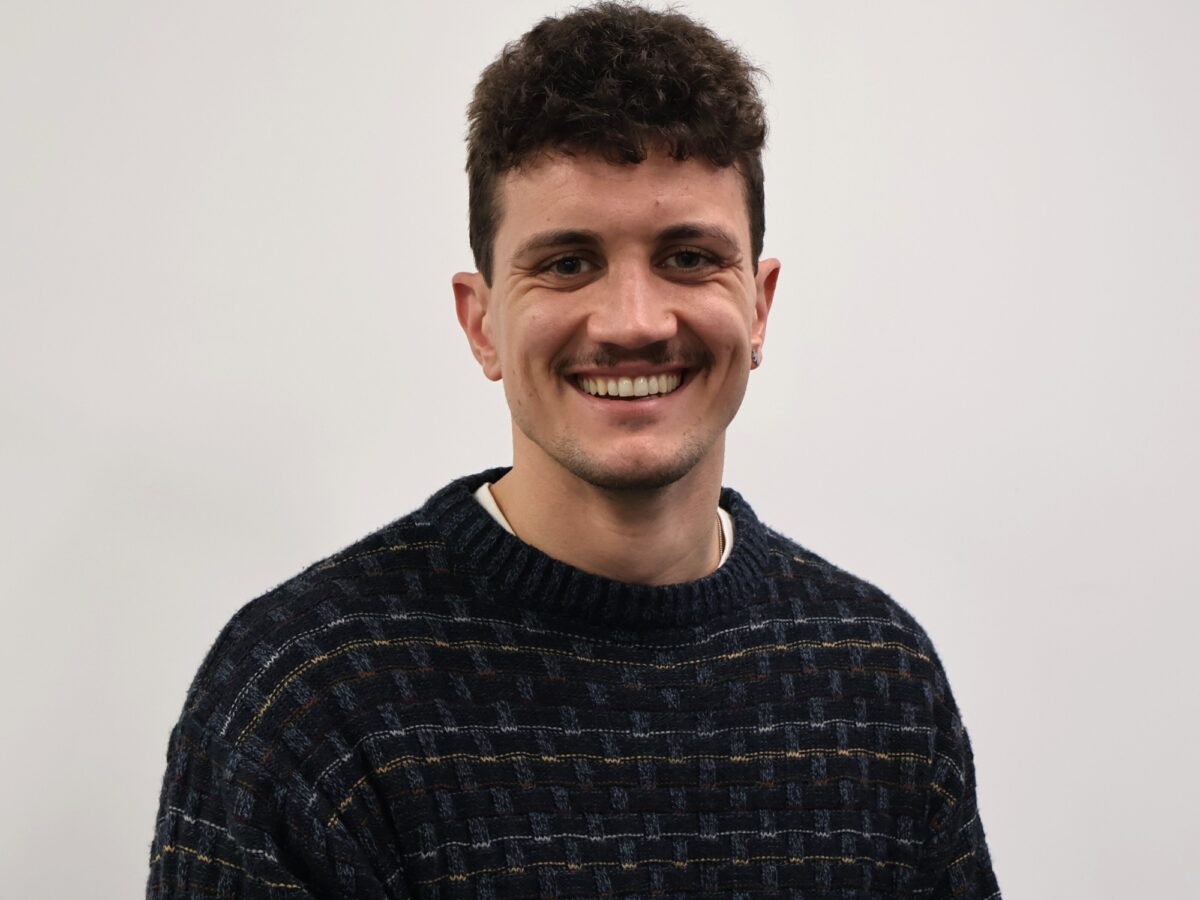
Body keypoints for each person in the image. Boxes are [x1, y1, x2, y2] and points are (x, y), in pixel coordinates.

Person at [146, 4, 1000, 897]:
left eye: (687, 257)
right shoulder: (303, 697)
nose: (633, 321)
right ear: (482, 323)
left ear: (759, 306)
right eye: (566, 264)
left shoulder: (879, 676)